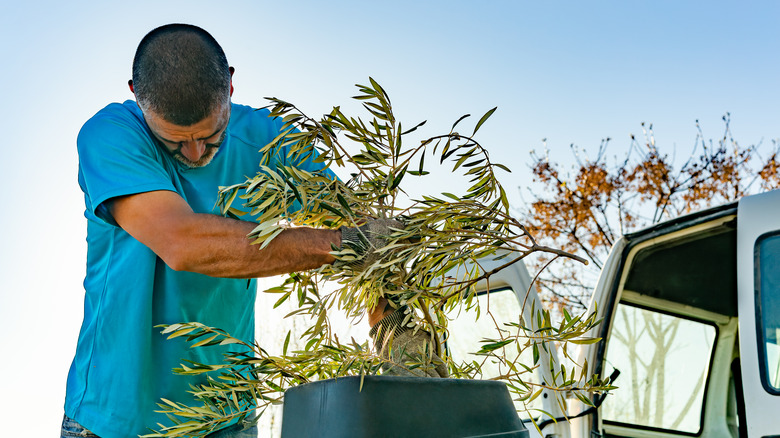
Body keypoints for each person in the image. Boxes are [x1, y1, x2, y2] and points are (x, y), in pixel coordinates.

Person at [62, 23, 443, 438]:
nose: (194, 153)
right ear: (137, 96)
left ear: (229, 86)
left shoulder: (269, 140)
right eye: (174, 143)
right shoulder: (111, 135)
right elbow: (183, 242)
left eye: (210, 137)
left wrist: (397, 334)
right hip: (114, 417)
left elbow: (365, 233)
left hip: (227, 416)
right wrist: (345, 246)